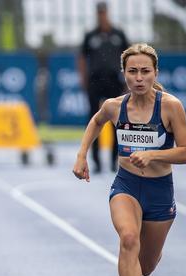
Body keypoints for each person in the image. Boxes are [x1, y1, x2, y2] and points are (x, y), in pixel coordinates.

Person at [73, 43, 186, 276]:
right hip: (126, 185)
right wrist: (81, 155)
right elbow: (96, 121)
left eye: (145, 72)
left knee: (146, 266)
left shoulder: (170, 106)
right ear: (124, 73)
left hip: (160, 191)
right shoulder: (115, 106)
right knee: (127, 238)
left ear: (155, 74)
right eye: (132, 72)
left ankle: (145, 257)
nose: (139, 78)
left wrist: (153, 155)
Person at [78, 1, 129, 173]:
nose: (102, 16)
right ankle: (97, 161)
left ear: (107, 13)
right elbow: (82, 57)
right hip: (95, 81)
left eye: (104, 12)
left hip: (114, 81)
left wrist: (126, 79)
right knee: (94, 120)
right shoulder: (90, 35)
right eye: (99, 13)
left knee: (117, 121)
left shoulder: (118, 34)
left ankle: (115, 159)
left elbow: (128, 55)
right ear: (97, 14)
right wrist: (83, 78)